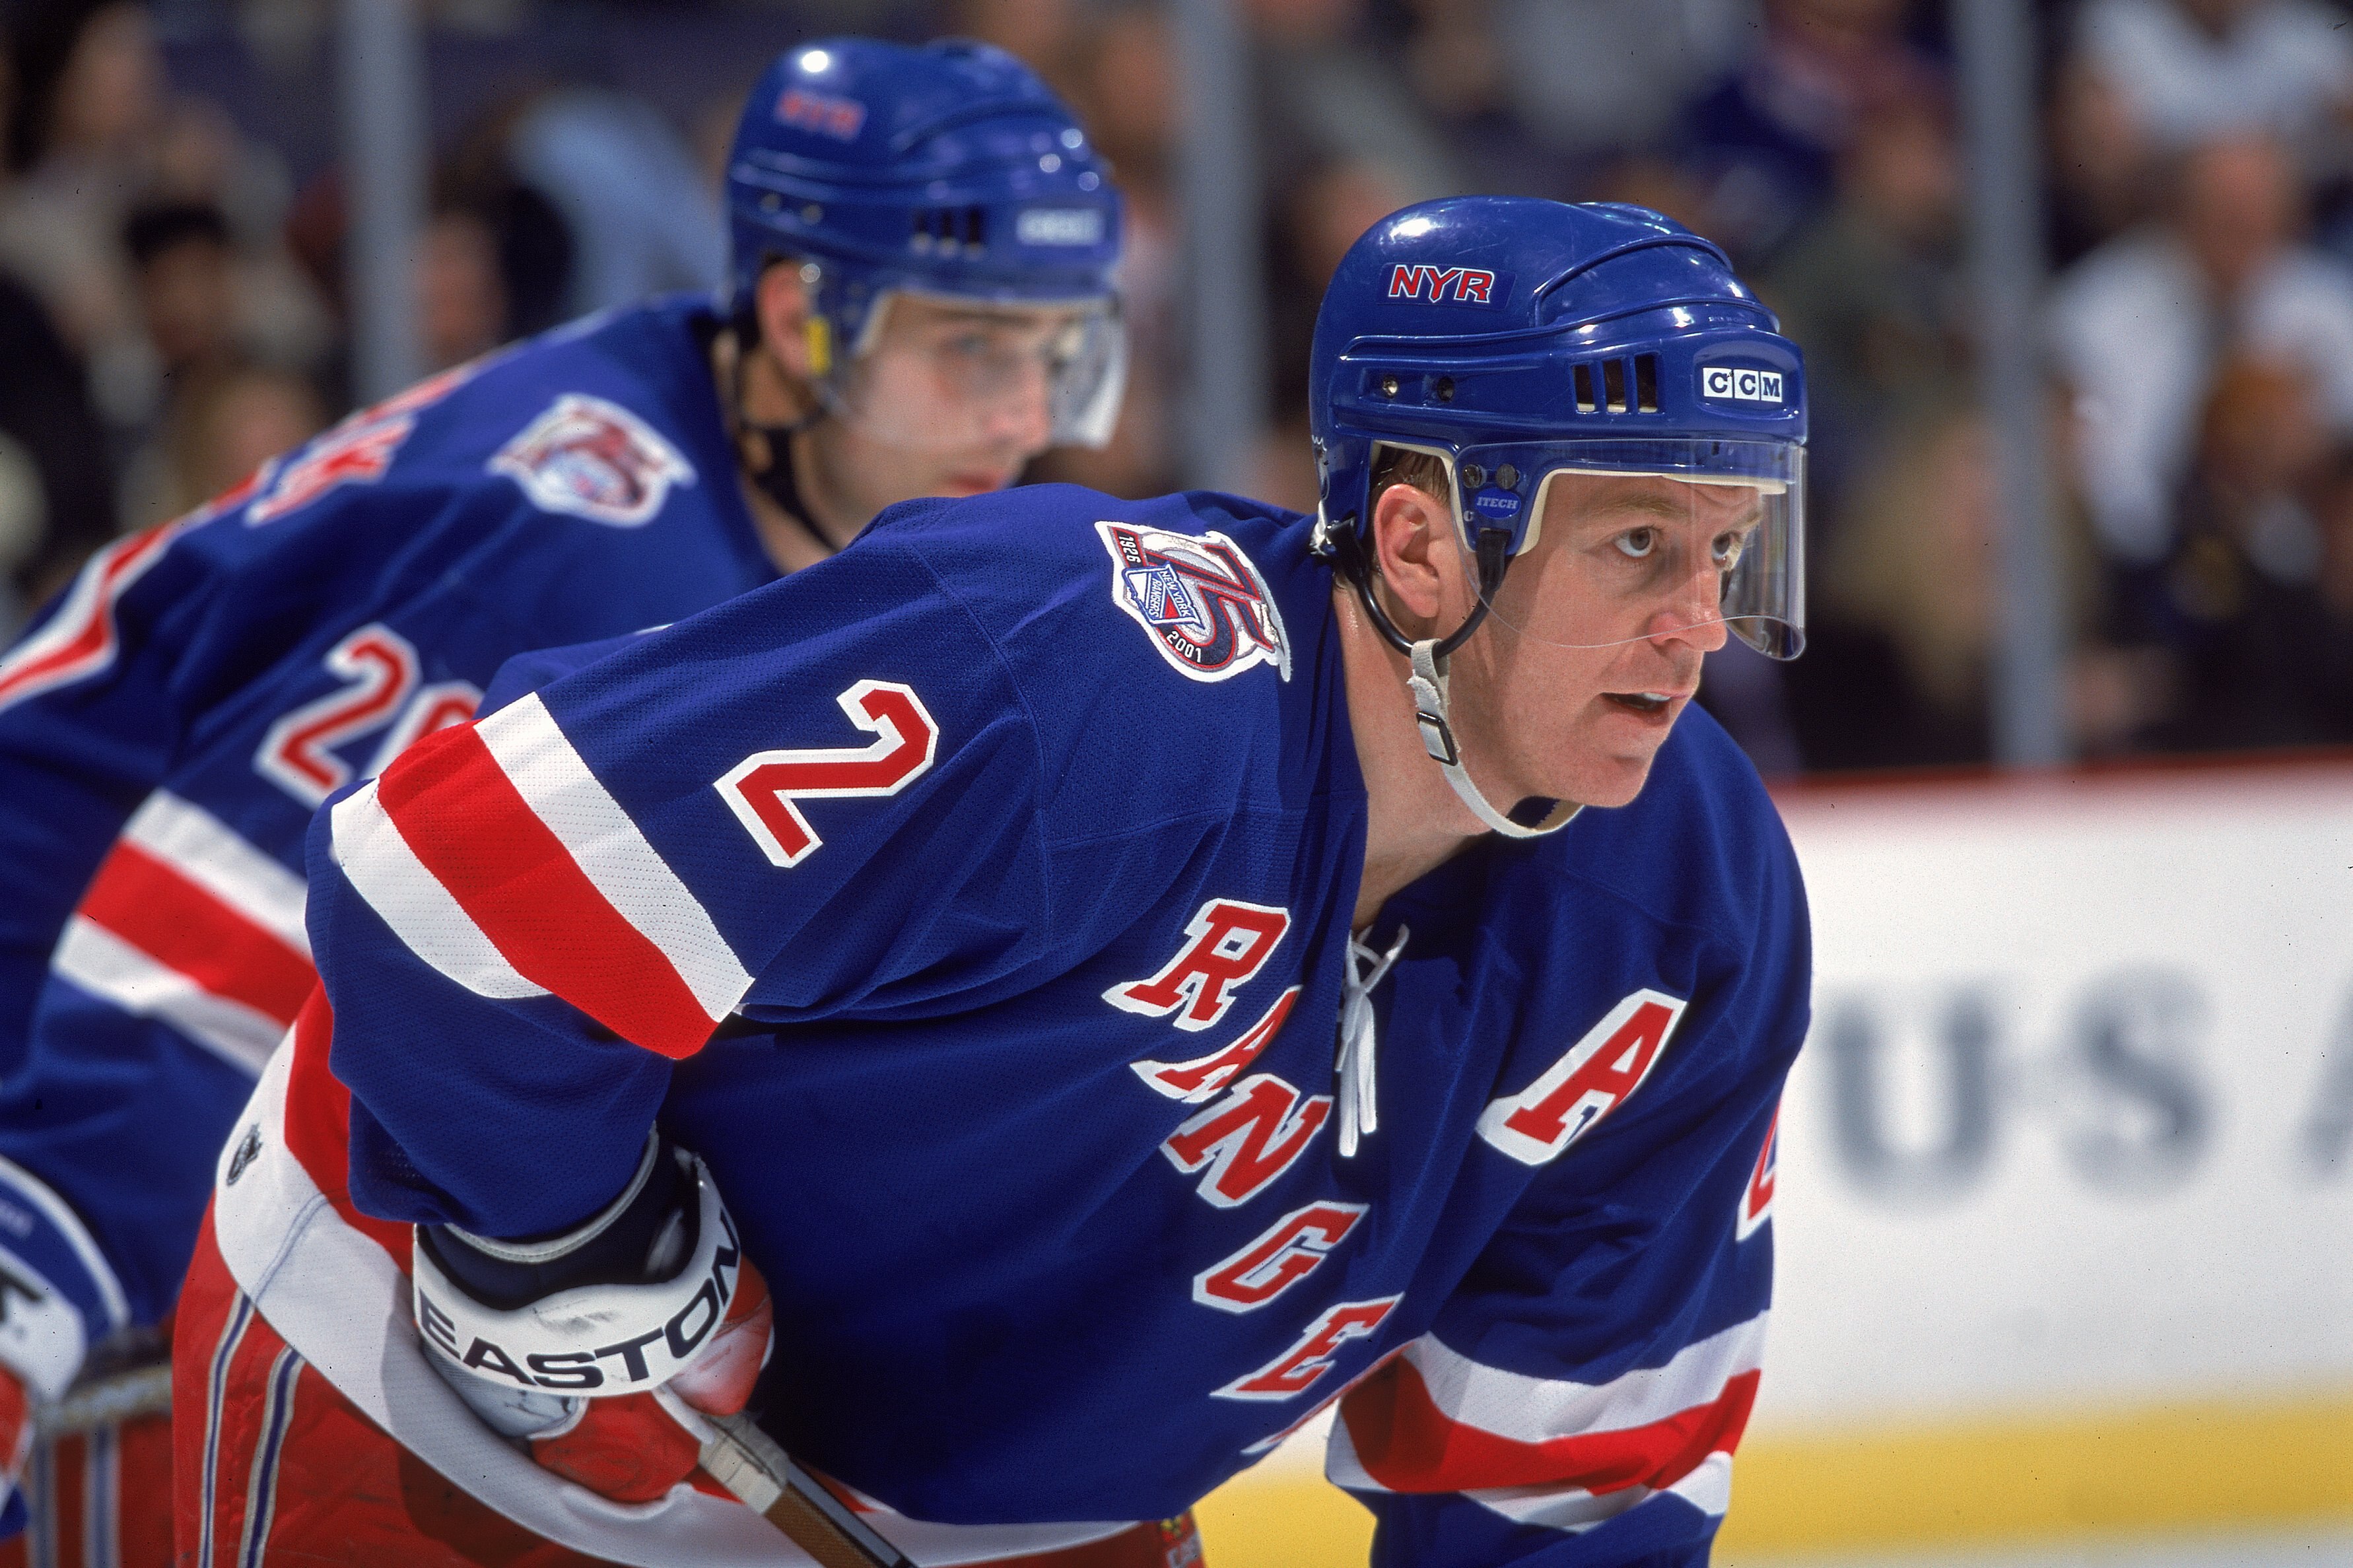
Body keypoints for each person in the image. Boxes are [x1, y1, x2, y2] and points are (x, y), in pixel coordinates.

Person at [186, 197, 1812, 1565]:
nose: (1700, 630)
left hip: (1015, 1527)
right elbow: (453, 877)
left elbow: (1567, 1477)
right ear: (1422, 544)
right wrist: (556, 1249)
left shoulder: (1692, 913)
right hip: (476, 1436)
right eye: (1638, 546)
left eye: (1726, 550)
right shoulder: (1071, 676)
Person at [0, 37, 1124, 1560]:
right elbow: (216, 941)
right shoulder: (581, 548)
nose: (1023, 416)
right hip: (88, 1180)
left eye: (1063, 353)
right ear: (797, 316)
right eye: (973, 348)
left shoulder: (722, 462)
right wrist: (35, 1263)